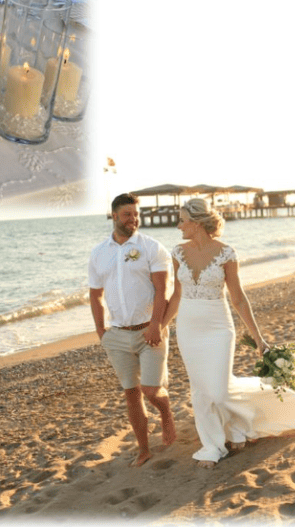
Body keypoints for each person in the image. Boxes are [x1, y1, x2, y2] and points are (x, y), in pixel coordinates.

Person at [172, 198, 295, 468]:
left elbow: (238, 298)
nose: (178, 226)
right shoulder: (177, 252)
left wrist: (258, 338)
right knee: (201, 391)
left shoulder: (227, 253)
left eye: (181, 220)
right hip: (188, 328)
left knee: (220, 392)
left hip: (218, 327)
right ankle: (212, 445)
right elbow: (176, 295)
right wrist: (159, 324)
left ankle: (242, 423)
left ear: (197, 222)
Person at [89, 193, 178, 467]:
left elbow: (162, 289)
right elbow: (95, 295)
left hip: (148, 332)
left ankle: (165, 414)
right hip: (116, 335)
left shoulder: (152, 247)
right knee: (131, 393)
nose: (133, 220)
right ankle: (143, 449)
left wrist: (156, 325)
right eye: (127, 215)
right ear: (114, 216)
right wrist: (102, 333)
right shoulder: (99, 252)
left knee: (151, 390)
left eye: (136, 215)